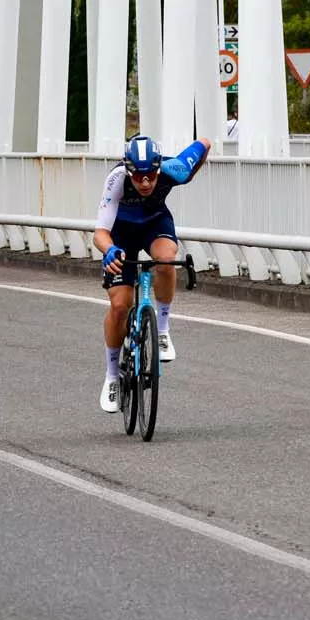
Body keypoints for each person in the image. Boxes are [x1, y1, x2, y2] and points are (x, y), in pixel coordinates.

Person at [91, 133, 211, 412]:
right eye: (138, 177)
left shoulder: (175, 170)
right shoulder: (117, 178)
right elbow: (100, 232)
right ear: (129, 171)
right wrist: (109, 251)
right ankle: (111, 377)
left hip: (154, 224)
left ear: (159, 169)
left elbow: (204, 143)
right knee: (120, 306)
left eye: (151, 176)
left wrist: (192, 173)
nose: (145, 183)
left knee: (166, 259)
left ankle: (163, 330)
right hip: (120, 235)